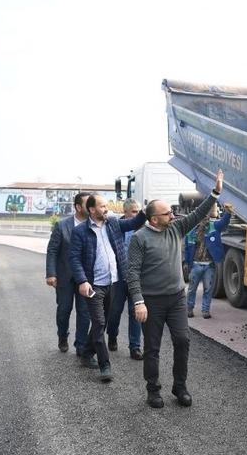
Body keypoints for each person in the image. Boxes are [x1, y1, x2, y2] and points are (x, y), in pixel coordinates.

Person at [127, 170, 224, 409]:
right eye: (167, 213)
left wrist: (215, 192)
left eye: (171, 212)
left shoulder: (176, 228)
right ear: (153, 219)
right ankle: (153, 390)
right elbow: (132, 272)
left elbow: (199, 212)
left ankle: (179, 386)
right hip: (151, 302)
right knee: (152, 348)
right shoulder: (140, 238)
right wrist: (138, 301)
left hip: (177, 299)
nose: (173, 214)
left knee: (182, 340)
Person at [69, 195, 147, 382]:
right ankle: (105, 364)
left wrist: (145, 211)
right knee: (99, 323)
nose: (106, 208)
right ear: (92, 210)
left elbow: (135, 222)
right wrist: (82, 281)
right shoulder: (80, 232)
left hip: (113, 283)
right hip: (93, 285)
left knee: (100, 323)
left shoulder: (113, 224)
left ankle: (87, 353)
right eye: (102, 206)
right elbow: (74, 258)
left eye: (106, 206)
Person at [45, 192, 92, 355]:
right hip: (64, 276)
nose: (92, 206)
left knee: (85, 312)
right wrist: (51, 273)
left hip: (86, 279)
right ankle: (62, 336)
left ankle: (81, 345)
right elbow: (52, 250)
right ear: (78, 207)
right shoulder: (61, 225)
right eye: (88, 203)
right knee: (64, 310)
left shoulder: (95, 225)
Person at [106, 198, 144, 360]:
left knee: (135, 312)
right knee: (114, 312)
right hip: (119, 279)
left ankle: (134, 347)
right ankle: (112, 335)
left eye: (138, 211)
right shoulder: (114, 226)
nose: (137, 215)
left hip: (137, 279)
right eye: (134, 212)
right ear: (126, 212)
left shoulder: (143, 228)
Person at [184, 202, 233, 319]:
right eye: (201, 216)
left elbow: (223, 223)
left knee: (208, 289)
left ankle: (205, 311)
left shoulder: (213, 226)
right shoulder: (191, 231)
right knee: (191, 289)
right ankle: (189, 309)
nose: (203, 218)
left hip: (209, 266)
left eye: (205, 216)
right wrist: (186, 263)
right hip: (195, 265)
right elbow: (187, 248)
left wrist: (228, 213)